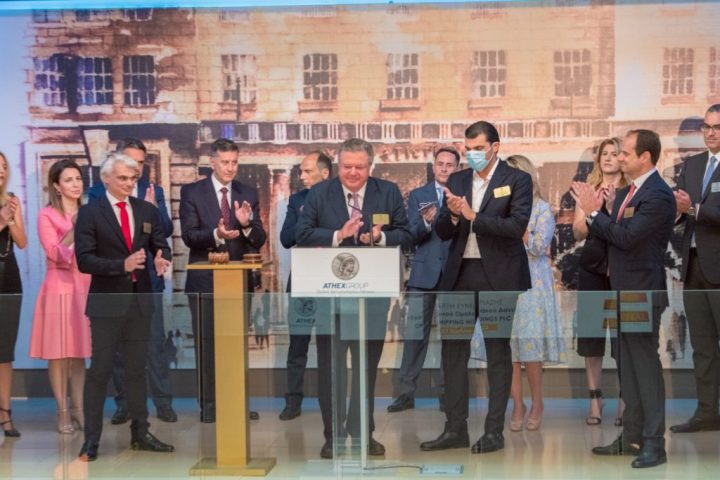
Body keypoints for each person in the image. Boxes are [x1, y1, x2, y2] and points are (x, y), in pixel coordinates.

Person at [420, 121, 532, 455]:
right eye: (468, 149)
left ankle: (494, 432)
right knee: (453, 353)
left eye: (479, 149)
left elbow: (516, 226)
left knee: (497, 354)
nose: (472, 155)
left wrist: (473, 216)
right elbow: (442, 231)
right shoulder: (457, 180)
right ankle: (455, 428)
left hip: (499, 277)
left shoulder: (517, 180)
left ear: (495, 147)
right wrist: (454, 217)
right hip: (460, 276)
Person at [296, 138, 411, 459]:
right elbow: (301, 234)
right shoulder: (320, 193)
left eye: (360, 167)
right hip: (330, 296)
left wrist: (381, 236)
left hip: (371, 297)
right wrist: (338, 235)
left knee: (366, 368)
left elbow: (407, 233)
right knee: (331, 368)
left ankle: (363, 433)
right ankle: (333, 435)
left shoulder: (387, 192)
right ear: (338, 165)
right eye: (347, 166)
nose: (353, 173)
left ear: (370, 166)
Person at [572, 129, 675, 468]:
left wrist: (594, 214)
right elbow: (615, 236)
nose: (619, 158)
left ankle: (654, 443)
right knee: (628, 370)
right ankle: (631, 437)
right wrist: (598, 213)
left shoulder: (657, 194)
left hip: (641, 294)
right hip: (622, 293)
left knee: (644, 369)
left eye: (626, 153)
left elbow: (628, 238)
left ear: (645, 157)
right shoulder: (632, 191)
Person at [75, 152, 174, 462]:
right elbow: (84, 260)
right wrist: (122, 265)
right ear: (106, 178)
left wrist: (161, 257)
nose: (129, 183)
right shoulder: (90, 213)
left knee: (136, 370)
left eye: (133, 178)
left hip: (140, 302)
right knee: (100, 371)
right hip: (106, 304)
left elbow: (161, 244)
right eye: (122, 178)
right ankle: (91, 440)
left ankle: (140, 432)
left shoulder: (146, 209)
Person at [180, 137, 266, 423]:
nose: (230, 168)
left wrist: (245, 224)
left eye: (234, 162)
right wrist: (217, 234)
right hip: (204, 282)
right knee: (207, 346)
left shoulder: (247, 192)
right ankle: (210, 405)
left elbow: (258, 239)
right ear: (212, 162)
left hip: (238, 282)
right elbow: (189, 236)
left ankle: (236, 401)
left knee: (235, 346)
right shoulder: (192, 192)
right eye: (225, 162)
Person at [387, 147, 459, 414]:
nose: (444, 168)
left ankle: (448, 394)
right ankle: (406, 393)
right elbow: (410, 235)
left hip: (454, 274)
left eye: (449, 164)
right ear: (433, 165)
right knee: (414, 336)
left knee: (452, 339)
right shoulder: (418, 195)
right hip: (422, 276)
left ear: (457, 168)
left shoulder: (464, 196)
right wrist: (427, 223)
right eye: (440, 163)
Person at [29, 160, 91, 434]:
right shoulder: (46, 215)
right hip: (58, 286)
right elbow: (54, 252)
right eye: (68, 180)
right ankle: (62, 410)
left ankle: (79, 408)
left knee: (78, 353)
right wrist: (74, 229)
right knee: (59, 354)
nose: (75, 184)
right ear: (56, 186)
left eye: (78, 178)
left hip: (84, 284)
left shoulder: (89, 212)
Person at [505, 155, 565, 432]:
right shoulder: (499, 208)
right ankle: (517, 405)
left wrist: (518, 228)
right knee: (509, 351)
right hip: (505, 281)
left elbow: (540, 247)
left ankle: (537, 403)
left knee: (530, 350)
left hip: (533, 284)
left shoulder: (541, 208)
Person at [671, 104, 720, 433]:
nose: (710, 132)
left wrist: (695, 209)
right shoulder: (692, 164)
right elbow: (680, 213)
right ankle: (706, 412)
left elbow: (696, 210)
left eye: (717, 127)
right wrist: (677, 211)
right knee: (702, 347)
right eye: (706, 126)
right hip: (693, 267)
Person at [572, 138, 627, 426]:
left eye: (614, 154)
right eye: (604, 154)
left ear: (623, 158)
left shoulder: (632, 191)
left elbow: (632, 230)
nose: (608, 158)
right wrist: (593, 208)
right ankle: (595, 400)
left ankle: (625, 400)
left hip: (622, 272)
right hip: (592, 271)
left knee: (623, 341)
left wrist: (612, 205)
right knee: (591, 339)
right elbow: (578, 232)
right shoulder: (588, 189)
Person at [278, 151, 331, 421]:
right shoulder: (297, 201)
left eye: (307, 171)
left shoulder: (340, 200)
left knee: (328, 347)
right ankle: (293, 401)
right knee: (297, 345)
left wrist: (311, 232)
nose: (302, 176)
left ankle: (329, 401)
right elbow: (286, 238)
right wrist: (306, 223)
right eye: (301, 171)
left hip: (331, 283)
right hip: (302, 282)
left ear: (325, 173)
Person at [0, 151, 27, 438]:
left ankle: (5, 413)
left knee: (4, 351)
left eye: (4, 167)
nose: (1, 171)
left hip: (8, 279)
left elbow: (22, 242)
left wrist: (10, 219)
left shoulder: (10, 200)